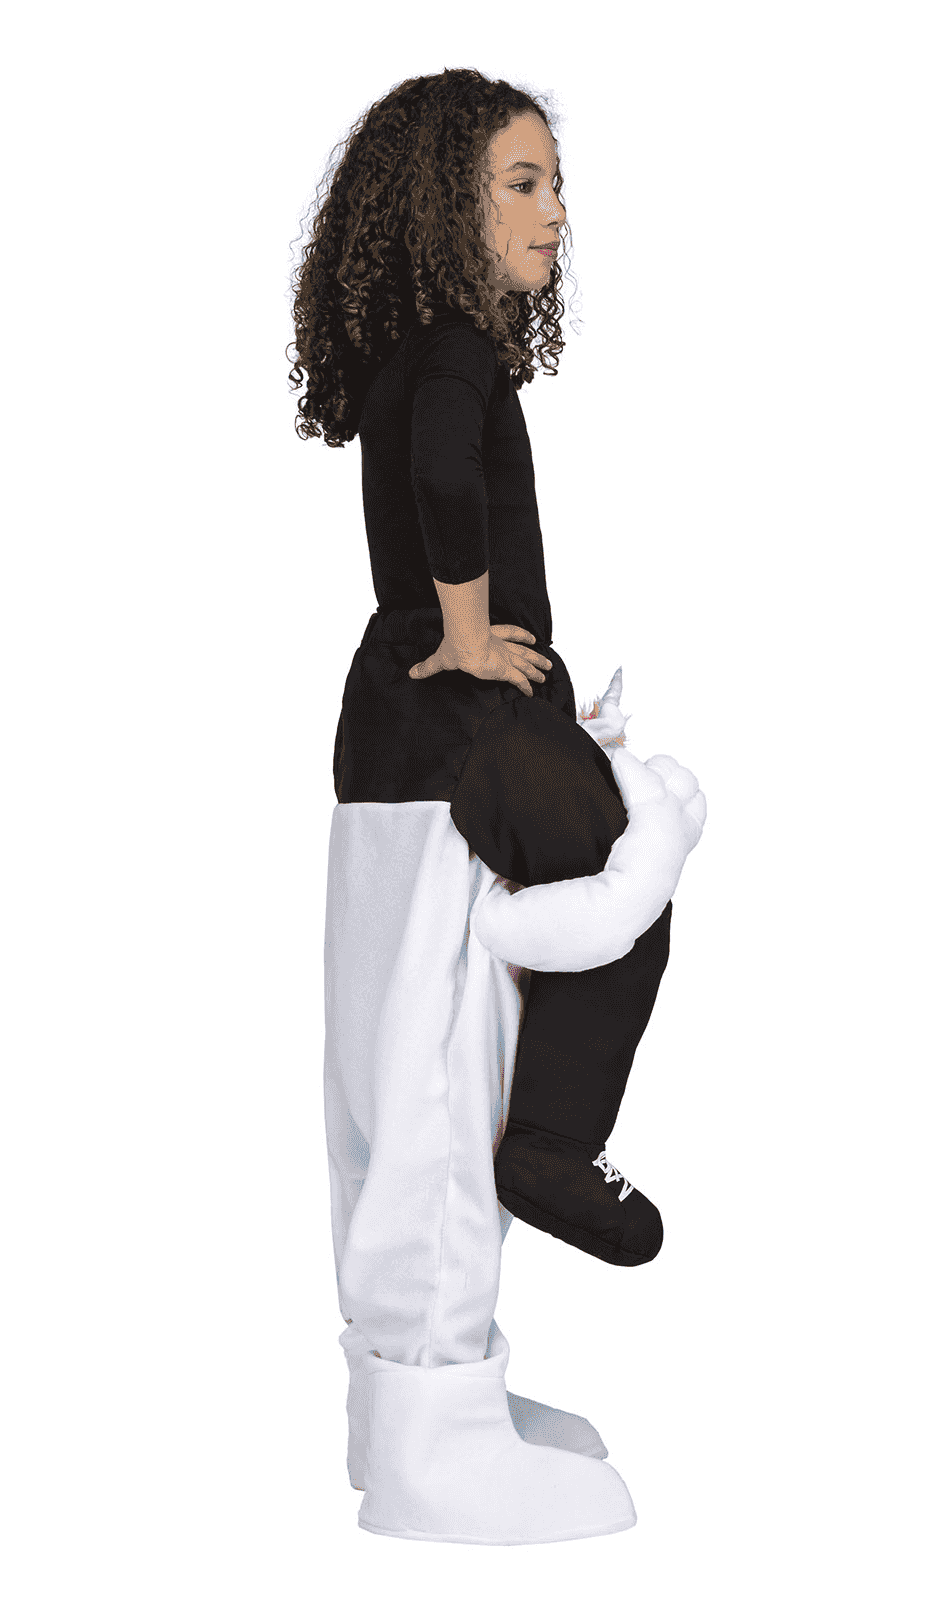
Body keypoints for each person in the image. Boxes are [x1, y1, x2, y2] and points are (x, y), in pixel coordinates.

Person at [288, 67, 706, 1544]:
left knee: (411, 1058)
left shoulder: (424, 351)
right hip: (447, 743)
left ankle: (420, 1395)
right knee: (440, 1068)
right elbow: (444, 484)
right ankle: (436, 1426)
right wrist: (469, 636)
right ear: (439, 207)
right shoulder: (455, 356)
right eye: (520, 183)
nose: (554, 210)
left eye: (554, 182)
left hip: (420, 744)